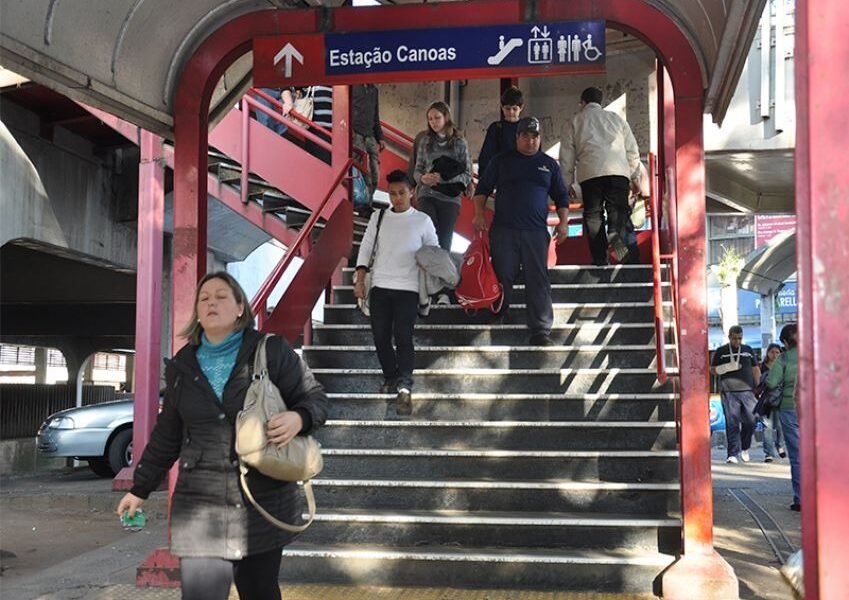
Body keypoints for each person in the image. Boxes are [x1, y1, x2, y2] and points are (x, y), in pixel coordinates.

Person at [115, 272, 328, 600]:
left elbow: (315, 398)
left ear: (240, 307)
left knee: (260, 592)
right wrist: (140, 487)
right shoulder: (181, 367)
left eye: (221, 296)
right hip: (200, 504)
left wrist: (299, 418)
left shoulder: (270, 351)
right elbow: (167, 435)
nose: (211, 302)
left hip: (261, 501)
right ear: (198, 312)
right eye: (204, 298)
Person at [472, 116, 570, 346]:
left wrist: (564, 223)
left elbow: (562, 196)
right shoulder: (501, 161)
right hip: (505, 230)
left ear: (540, 138)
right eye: (525, 135)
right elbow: (482, 189)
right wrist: (477, 214)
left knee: (538, 279)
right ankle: (498, 315)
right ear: (517, 137)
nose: (530, 140)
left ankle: (540, 331)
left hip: (536, 232)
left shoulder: (549, 164)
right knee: (502, 274)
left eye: (534, 136)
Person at [354, 170, 438, 416]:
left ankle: (405, 383)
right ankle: (391, 376)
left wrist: (428, 264)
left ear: (412, 192)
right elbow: (366, 248)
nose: (397, 198)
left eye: (402, 193)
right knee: (380, 336)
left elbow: (435, 252)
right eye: (392, 193)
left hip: (408, 288)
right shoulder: (379, 217)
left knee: (403, 335)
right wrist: (360, 280)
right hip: (380, 284)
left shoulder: (422, 221)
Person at [559, 86, 642, 265]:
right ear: (600, 102)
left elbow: (566, 157)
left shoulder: (575, 121)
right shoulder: (616, 119)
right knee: (618, 215)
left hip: (590, 175)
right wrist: (634, 177)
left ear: (582, 103)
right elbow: (632, 150)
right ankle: (626, 259)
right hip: (618, 174)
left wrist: (566, 185)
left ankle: (600, 259)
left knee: (593, 216)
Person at [413, 101, 472, 304]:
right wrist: (422, 178)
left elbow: (467, 173)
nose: (434, 122)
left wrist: (443, 179)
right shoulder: (424, 141)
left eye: (437, 117)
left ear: (446, 117)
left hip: (450, 197)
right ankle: (427, 290)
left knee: (444, 241)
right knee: (428, 240)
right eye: (430, 119)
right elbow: (417, 168)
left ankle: (445, 290)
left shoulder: (459, 142)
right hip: (427, 194)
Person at [710, 325, 761, 464]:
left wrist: (761, 388)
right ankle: (732, 453)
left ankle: (745, 447)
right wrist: (724, 368)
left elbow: (755, 370)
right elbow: (712, 370)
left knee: (751, 420)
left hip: (748, 391)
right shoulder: (721, 351)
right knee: (732, 423)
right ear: (729, 337)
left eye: (740, 338)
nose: (737, 341)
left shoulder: (748, 350)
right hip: (729, 391)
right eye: (734, 338)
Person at [765, 323, 800, 511]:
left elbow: (771, 383)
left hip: (790, 408)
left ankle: (801, 499)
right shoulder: (814, 354)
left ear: (786, 342)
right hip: (814, 409)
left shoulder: (784, 359)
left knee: (797, 455)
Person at [477, 86, 525, 178]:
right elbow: (486, 157)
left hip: (523, 177)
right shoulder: (496, 128)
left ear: (521, 107)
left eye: (514, 109)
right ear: (502, 107)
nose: (511, 112)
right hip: (501, 178)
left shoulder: (526, 128)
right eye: (507, 108)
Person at [352, 83, 385, 211]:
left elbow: (375, 115)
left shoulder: (374, 90)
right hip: (356, 135)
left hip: (370, 136)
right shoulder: (352, 86)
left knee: (374, 173)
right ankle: (357, 203)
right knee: (356, 172)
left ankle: (368, 203)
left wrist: (380, 137)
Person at [757, 342, 786, 462]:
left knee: (780, 426)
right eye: (772, 352)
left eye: (777, 352)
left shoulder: (784, 366)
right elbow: (757, 383)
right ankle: (768, 453)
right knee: (767, 427)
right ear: (767, 353)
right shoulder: (761, 367)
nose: (774, 355)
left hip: (781, 400)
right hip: (765, 401)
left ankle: (780, 446)